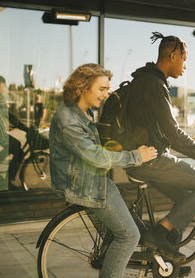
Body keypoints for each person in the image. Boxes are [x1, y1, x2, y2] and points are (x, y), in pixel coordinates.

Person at [124, 32, 195, 265]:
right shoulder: (154, 84)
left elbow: (163, 130)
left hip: (142, 160)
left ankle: (167, 263)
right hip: (151, 161)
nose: (185, 66)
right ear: (173, 55)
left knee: (184, 203)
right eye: (184, 59)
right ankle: (157, 236)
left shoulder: (146, 80)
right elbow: (173, 134)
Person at [49, 63, 157, 278]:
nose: (106, 94)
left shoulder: (80, 112)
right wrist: (137, 156)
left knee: (122, 230)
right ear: (83, 87)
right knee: (129, 236)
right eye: (102, 89)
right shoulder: (68, 120)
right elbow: (96, 157)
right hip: (87, 185)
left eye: (107, 89)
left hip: (91, 179)